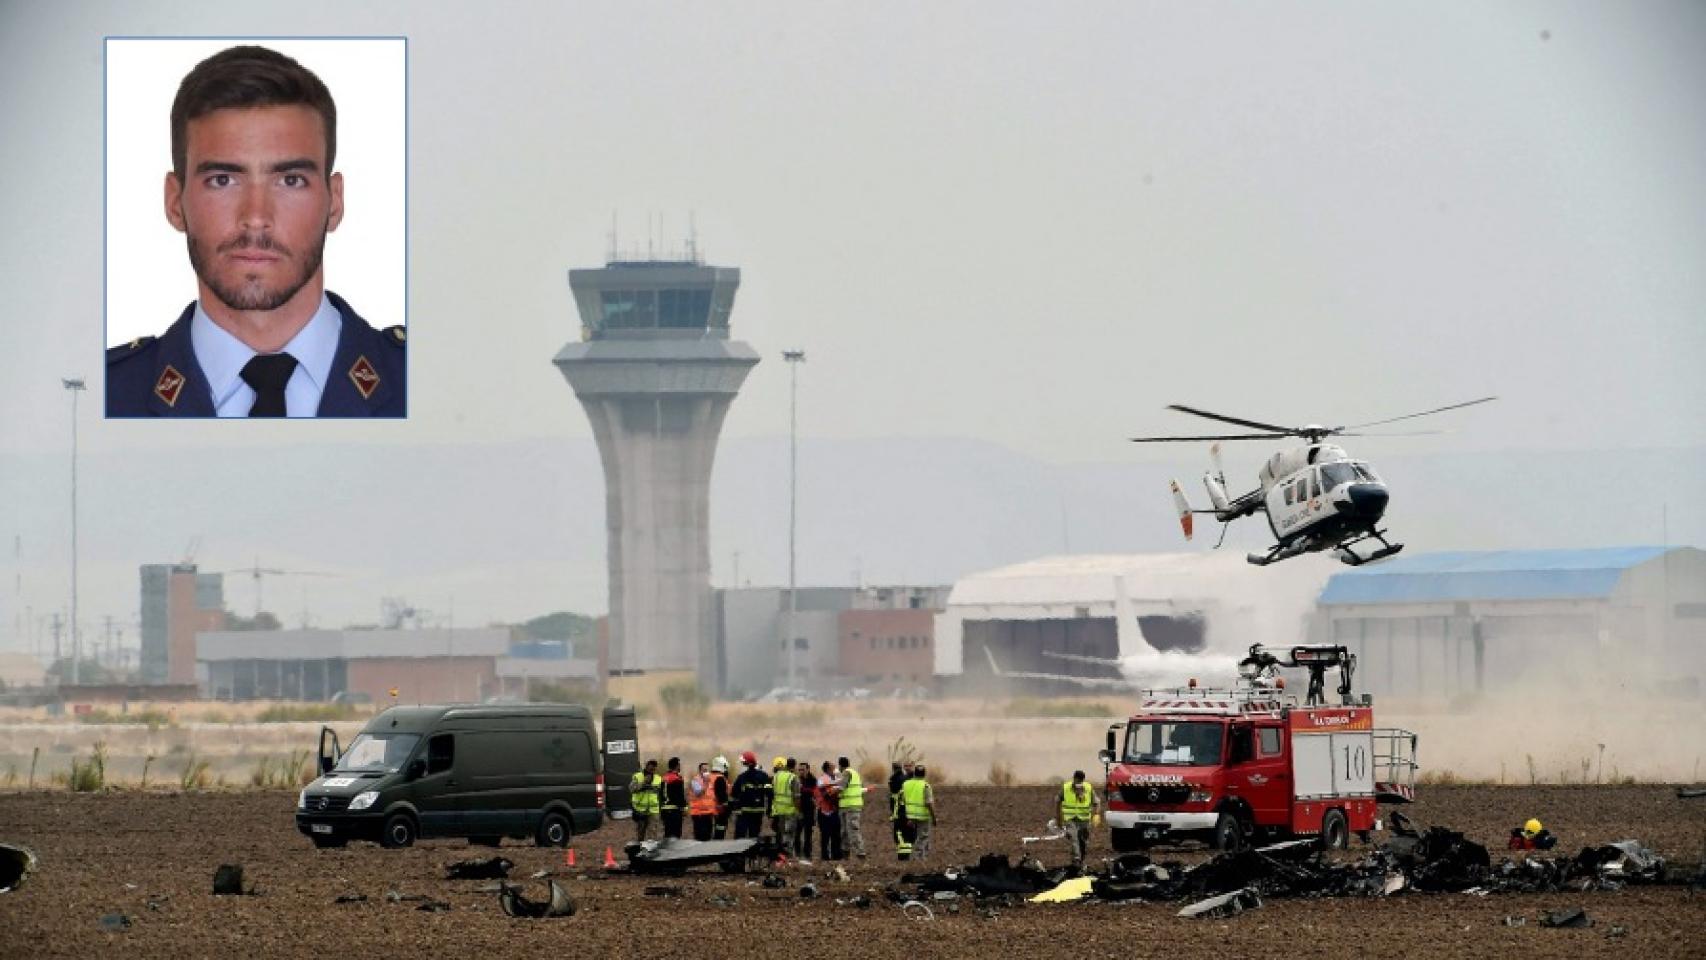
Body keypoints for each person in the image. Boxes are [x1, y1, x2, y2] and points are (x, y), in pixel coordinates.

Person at [107, 44, 405, 418]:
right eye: (223, 180)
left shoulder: (429, 381)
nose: (256, 216)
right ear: (174, 202)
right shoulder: (102, 398)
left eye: (291, 180)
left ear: (335, 202)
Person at [1057, 770, 1100, 869]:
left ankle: (1081, 861)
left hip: (1084, 820)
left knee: (1083, 842)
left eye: (1080, 782)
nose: (1078, 784)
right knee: (1074, 838)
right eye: (1077, 781)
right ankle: (1076, 860)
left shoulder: (1088, 788)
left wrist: (1097, 814)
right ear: (1074, 779)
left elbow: (1097, 802)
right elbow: (1058, 801)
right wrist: (1058, 818)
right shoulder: (1066, 788)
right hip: (1070, 819)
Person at [899, 765, 938, 861]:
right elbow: (929, 803)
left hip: (910, 814)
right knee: (923, 836)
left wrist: (908, 818)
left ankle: (922, 857)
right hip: (923, 816)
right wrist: (934, 818)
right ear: (924, 774)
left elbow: (902, 800)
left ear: (915, 773)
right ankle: (917, 857)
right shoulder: (926, 786)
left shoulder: (906, 784)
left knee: (918, 836)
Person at [731, 751, 772, 840]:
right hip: (758, 812)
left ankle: (740, 853)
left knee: (740, 836)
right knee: (754, 836)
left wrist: (733, 808)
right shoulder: (764, 776)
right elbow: (769, 793)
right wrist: (769, 810)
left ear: (747, 764)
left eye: (743, 763)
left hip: (744, 812)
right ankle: (752, 853)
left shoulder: (742, 777)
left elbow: (734, 793)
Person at [836, 756, 867, 859]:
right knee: (845, 832)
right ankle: (846, 854)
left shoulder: (846, 773)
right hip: (848, 806)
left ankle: (860, 853)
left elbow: (841, 788)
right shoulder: (855, 773)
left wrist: (831, 790)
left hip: (851, 807)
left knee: (852, 831)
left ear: (840, 765)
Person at [769, 756, 800, 856]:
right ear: (794, 766)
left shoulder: (776, 776)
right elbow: (796, 797)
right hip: (790, 811)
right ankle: (787, 855)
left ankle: (779, 855)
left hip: (778, 810)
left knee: (779, 834)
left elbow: (772, 793)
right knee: (789, 834)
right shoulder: (793, 778)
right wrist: (799, 810)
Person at [816, 760, 844, 861]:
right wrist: (837, 784)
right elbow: (821, 786)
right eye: (833, 767)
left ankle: (836, 855)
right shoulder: (822, 779)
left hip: (834, 811)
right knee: (825, 835)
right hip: (824, 812)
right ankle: (825, 856)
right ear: (828, 769)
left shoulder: (836, 778)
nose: (835, 769)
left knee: (836, 834)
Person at [630, 759, 661, 843]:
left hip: (653, 811)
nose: (652, 771)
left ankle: (651, 851)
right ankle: (640, 851)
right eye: (651, 768)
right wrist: (643, 783)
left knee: (653, 834)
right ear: (646, 767)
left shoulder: (658, 778)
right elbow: (631, 789)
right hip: (640, 811)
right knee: (641, 834)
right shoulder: (637, 776)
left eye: (654, 769)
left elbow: (660, 794)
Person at [888, 761, 914, 859]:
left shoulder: (892, 780)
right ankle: (906, 855)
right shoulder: (906, 779)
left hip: (898, 812)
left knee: (899, 834)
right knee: (908, 835)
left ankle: (903, 856)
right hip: (906, 811)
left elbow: (893, 798)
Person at [794, 761, 817, 861]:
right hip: (798, 809)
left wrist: (802, 789)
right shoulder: (797, 779)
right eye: (799, 770)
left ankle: (807, 854)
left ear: (808, 769)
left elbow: (814, 792)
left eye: (802, 769)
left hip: (809, 810)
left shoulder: (813, 780)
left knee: (808, 833)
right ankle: (798, 853)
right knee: (797, 833)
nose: (801, 771)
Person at [689, 761, 718, 841]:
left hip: (708, 814)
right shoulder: (695, 780)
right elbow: (698, 793)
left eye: (707, 770)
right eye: (704, 770)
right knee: (699, 836)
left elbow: (713, 797)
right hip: (698, 814)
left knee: (708, 836)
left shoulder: (711, 781)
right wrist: (705, 783)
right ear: (700, 771)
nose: (706, 772)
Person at [660, 757, 687, 840]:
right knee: (676, 834)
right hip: (674, 810)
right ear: (677, 766)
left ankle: (666, 851)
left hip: (664, 810)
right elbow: (679, 795)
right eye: (679, 765)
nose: (680, 767)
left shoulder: (664, 778)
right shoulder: (677, 779)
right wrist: (684, 808)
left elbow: (660, 794)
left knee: (668, 833)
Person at [709, 755, 732, 839]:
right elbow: (722, 796)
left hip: (705, 810)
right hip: (719, 810)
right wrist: (727, 808)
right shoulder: (720, 778)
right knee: (719, 831)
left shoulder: (707, 777)